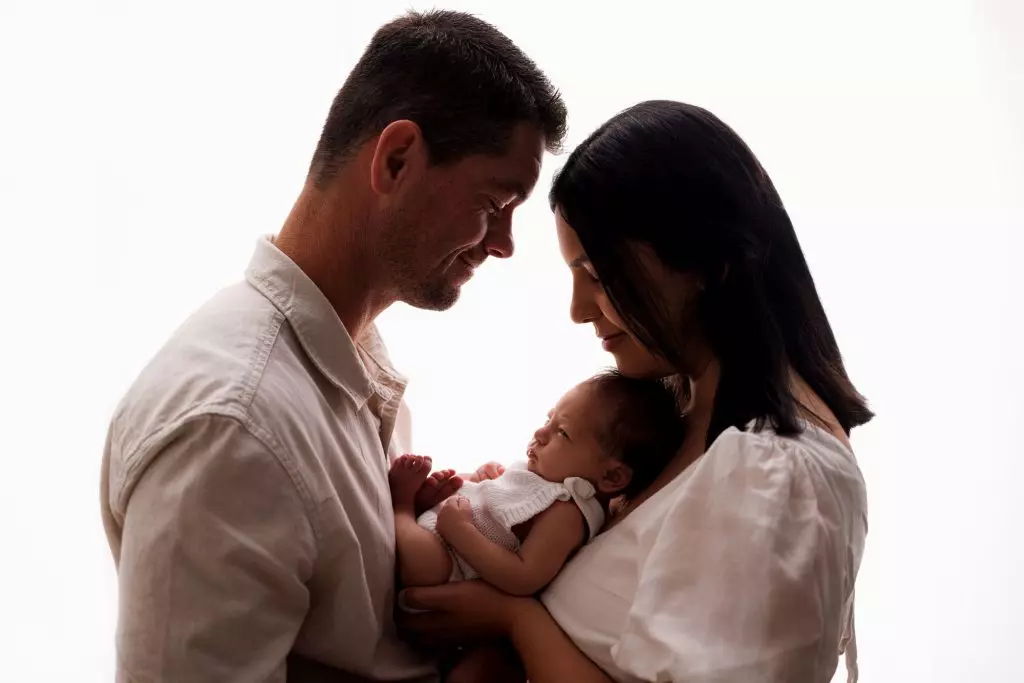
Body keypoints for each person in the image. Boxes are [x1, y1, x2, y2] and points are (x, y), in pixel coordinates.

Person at [99, 10, 566, 683]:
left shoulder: (346, 368)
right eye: (495, 205)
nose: (504, 245)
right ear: (397, 159)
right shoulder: (234, 425)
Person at [398, 100, 872, 683]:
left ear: (705, 261)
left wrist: (516, 620)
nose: (578, 310)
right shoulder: (680, 418)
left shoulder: (780, 472)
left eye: (598, 276)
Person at [389, 371, 684, 682]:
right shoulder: (548, 477)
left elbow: (523, 576)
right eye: (548, 419)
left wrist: (460, 531)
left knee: (424, 566)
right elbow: (502, 506)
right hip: (446, 542)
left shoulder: (569, 512)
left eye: (562, 433)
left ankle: (401, 507)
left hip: (450, 572)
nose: (540, 433)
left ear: (611, 477)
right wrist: (480, 481)